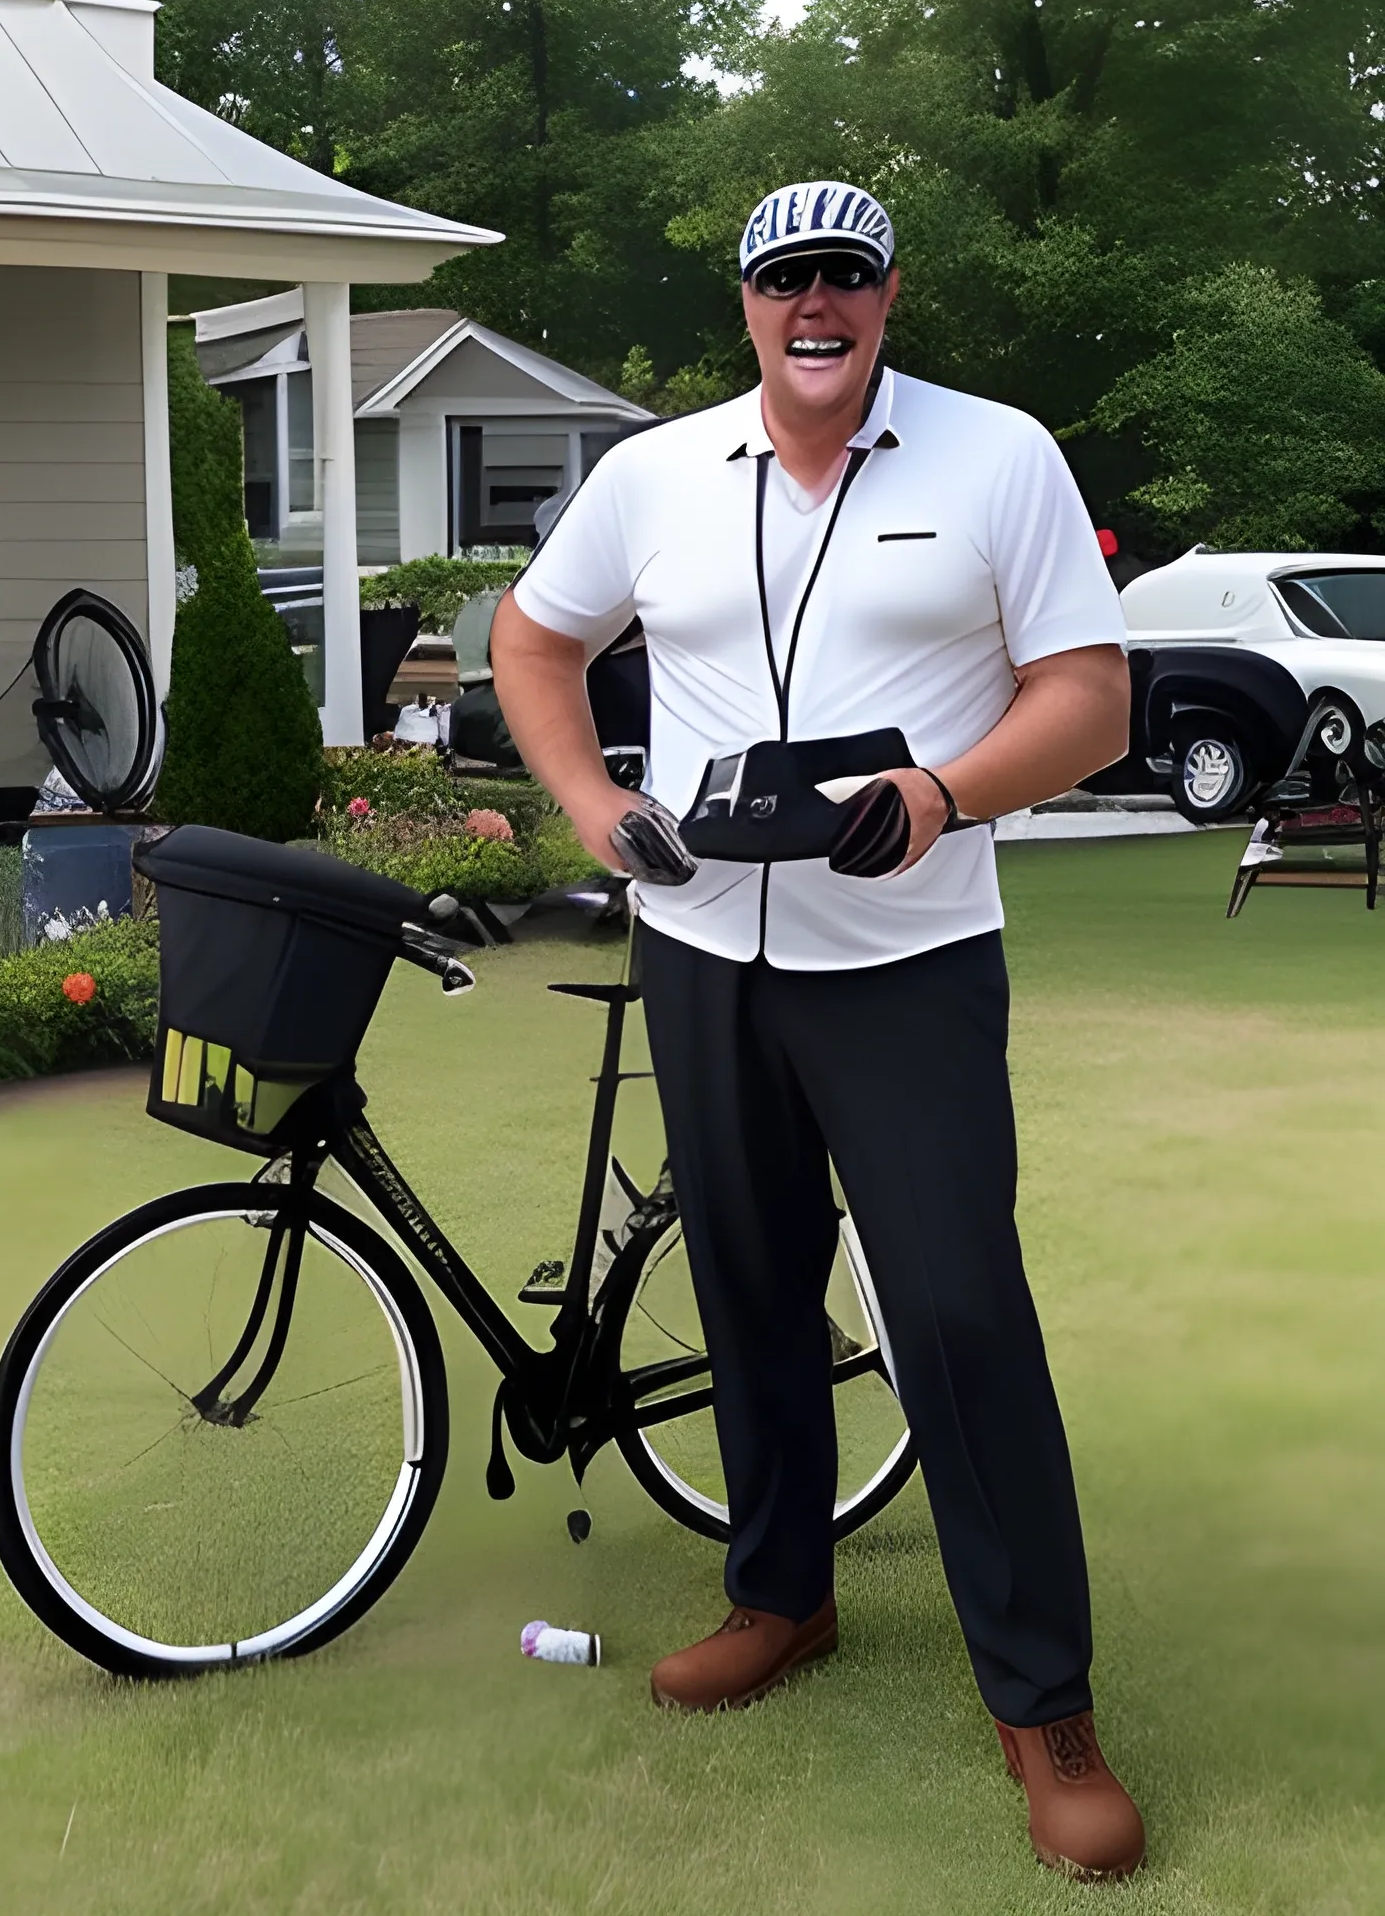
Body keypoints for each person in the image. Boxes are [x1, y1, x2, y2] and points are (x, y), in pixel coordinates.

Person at [491, 180, 1145, 1883]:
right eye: (786, 278)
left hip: (910, 956)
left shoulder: (999, 455)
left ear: (888, 296)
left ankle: (1046, 1705)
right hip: (702, 948)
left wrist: (940, 793)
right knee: (748, 1287)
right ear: (747, 304)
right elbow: (535, 635)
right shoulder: (651, 476)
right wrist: (586, 800)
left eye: (847, 275)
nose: (817, 303)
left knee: (951, 1307)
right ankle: (783, 1597)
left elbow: (1090, 698)